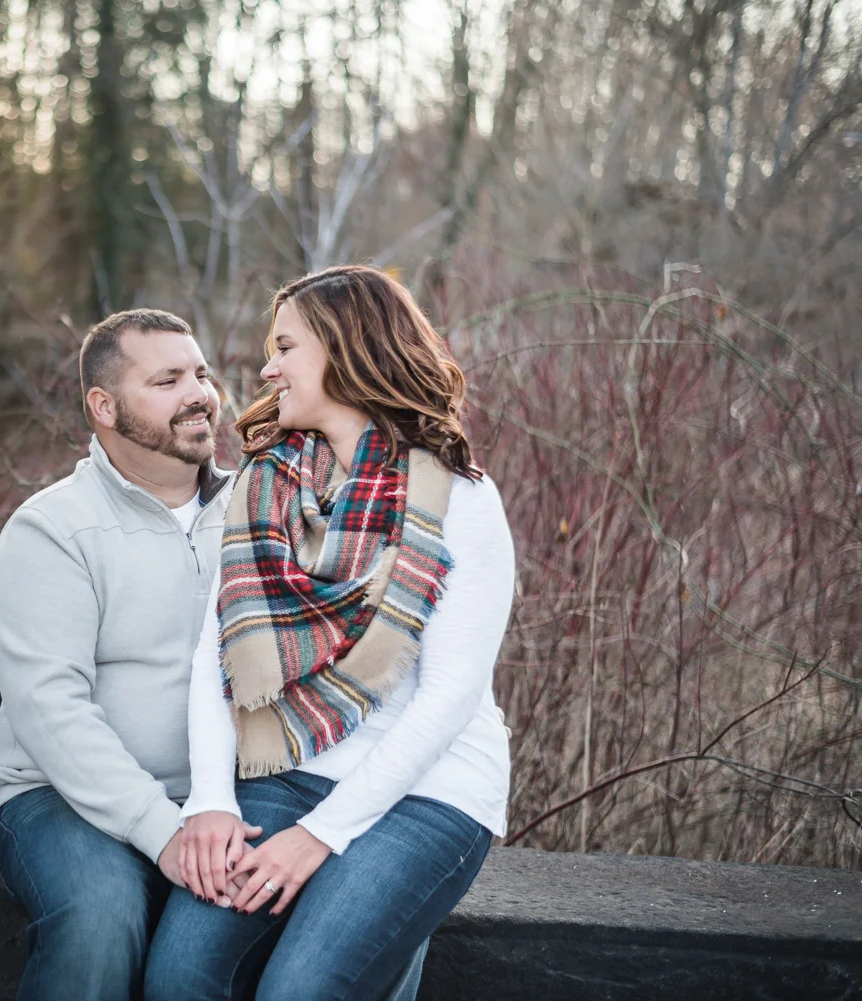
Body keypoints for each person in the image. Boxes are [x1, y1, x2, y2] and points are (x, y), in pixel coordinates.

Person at [144, 265, 516, 1001]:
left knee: (302, 989)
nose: (268, 369)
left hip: (429, 790)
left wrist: (321, 835)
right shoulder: (264, 486)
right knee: (181, 977)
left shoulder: (460, 500)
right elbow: (216, 654)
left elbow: (447, 697)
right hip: (287, 765)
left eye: (285, 347)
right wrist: (212, 799)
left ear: (347, 351)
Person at [0, 308, 256, 1001]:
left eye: (200, 374)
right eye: (167, 381)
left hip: (227, 797)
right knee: (99, 918)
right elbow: (51, 711)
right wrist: (164, 833)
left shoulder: (257, 510)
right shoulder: (53, 529)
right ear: (103, 407)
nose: (199, 394)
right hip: (60, 798)